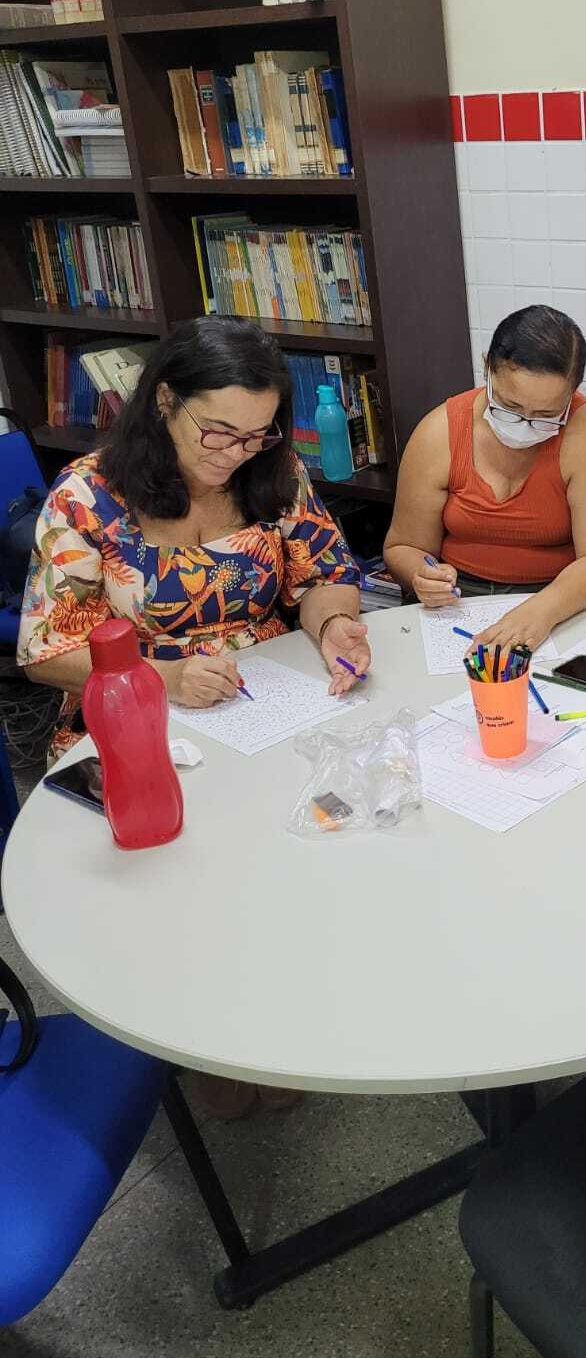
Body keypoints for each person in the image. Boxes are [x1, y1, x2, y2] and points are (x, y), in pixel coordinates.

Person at [19, 316, 369, 1119]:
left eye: (256, 434)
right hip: (134, 712)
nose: (235, 453)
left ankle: (284, 1002)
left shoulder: (270, 471)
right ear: (165, 400)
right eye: (217, 431)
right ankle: (195, 1023)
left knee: (317, 826)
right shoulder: (90, 497)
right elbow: (46, 651)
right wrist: (165, 677)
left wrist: (333, 623)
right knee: (184, 869)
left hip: (265, 698)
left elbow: (327, 572)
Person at [384, 304, 586, 651]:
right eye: (510, 407)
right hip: (457, 604)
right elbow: (402, 546)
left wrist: (542, 610)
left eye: (546, 415)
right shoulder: (440, 432)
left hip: (556, 601)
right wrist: (421, 575)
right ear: (488, 369)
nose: (525, 427)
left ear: (572, 392)